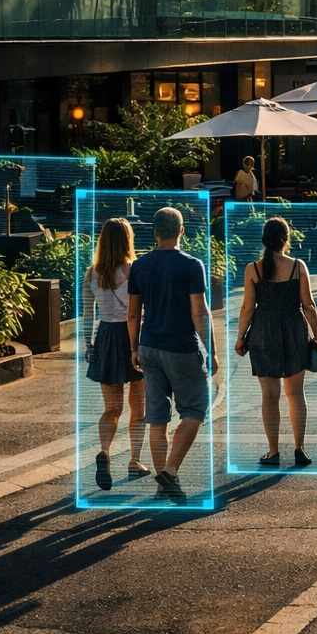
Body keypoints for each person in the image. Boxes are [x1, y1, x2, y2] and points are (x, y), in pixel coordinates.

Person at [127, 207, 213, 501]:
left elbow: (132, 313)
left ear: (154, 232)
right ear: (181, 232)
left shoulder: (139, 265)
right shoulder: (191, 264)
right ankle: (171, 470)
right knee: (195, 410)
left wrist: (134, 348)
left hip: (149, 348)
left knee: (157, 418)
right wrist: (211, 349)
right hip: (181, 349)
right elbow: (199, 311)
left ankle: (164, 484)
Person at [234, 217, 317, 468]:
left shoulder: (253, 269)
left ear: (265, 239)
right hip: (294, 329)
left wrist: (241, 337)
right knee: (295, 394)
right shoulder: (298, 267)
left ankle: (273, 452)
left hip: (263, 332)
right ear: (287, 238)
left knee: (269, 396)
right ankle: (299, 448)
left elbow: (247, 308)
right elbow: (308, 305)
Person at [83, 217, 149, 490]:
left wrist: (89, 345)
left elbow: (88, 315)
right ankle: (134, 461)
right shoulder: (136, 270)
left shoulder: (91, 273)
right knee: (139, 407)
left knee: (112, 408)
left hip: (106, 338)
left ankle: (105, 452)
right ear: (127, 240)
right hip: (134, 336)